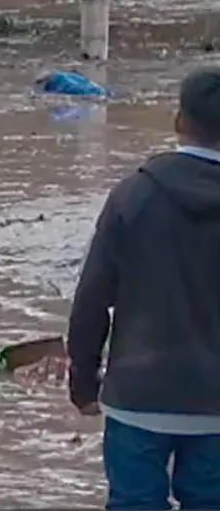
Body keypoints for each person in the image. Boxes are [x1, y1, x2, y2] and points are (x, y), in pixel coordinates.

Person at [67, 66, 220, 511]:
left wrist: (83, 380)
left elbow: (92, 300)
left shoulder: (132, 196)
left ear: (179, 121)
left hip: (138, 396)